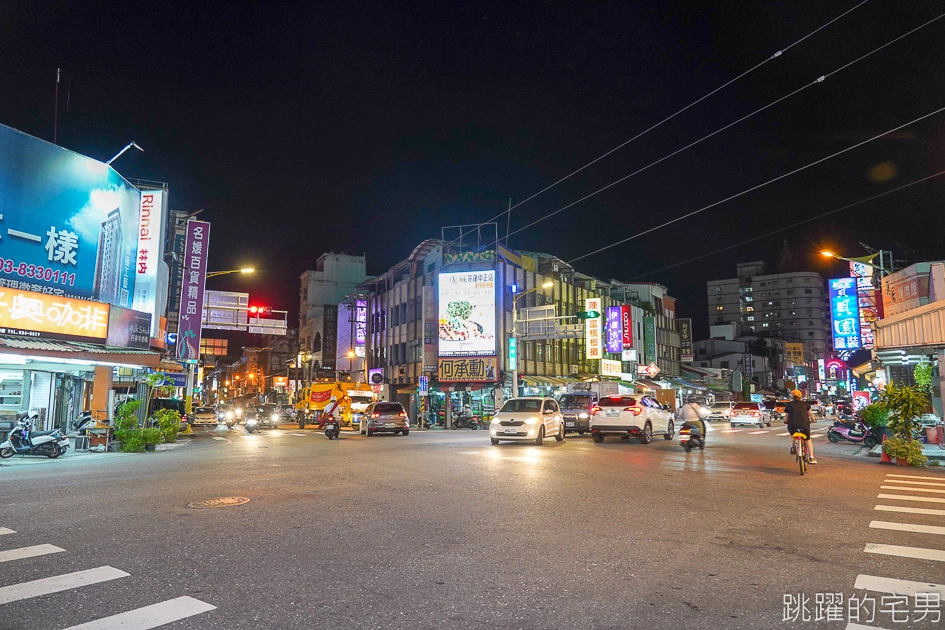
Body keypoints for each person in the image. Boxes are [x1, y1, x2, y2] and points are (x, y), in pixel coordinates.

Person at [785, 389, 816, 464]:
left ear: (792, 397)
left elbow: (786, 416)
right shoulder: (805, 404)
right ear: (801, 396)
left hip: (793, 425)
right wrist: (813, 420)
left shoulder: (789, 405)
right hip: (804, 425)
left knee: (792, 434)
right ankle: (811, 457)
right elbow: (810, 415)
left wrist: (785, 421)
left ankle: (793, 446)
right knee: (808, 440)